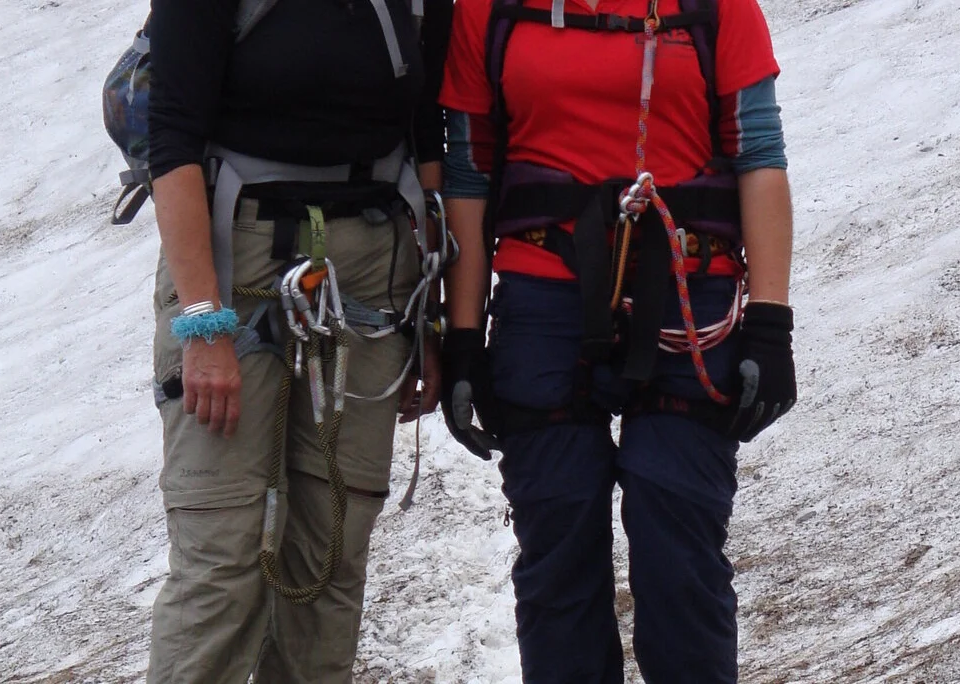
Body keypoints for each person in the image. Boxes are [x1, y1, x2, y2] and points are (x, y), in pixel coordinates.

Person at [437, 0, 796, 681]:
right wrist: (462, 337)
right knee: (558, 538)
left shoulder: (718, 8)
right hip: (543, 306)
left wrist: (771, 324)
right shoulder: (486, 10)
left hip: (689, 299)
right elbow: (468, 175)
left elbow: (759, 154)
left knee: (678, 538)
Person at [143, 0, 451, 682]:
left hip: (374, 267)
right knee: (222, 561)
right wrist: (203, 325)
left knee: (329, 557)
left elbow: (426, 132)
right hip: (235, 263)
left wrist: (430, 318)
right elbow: (172, 138)